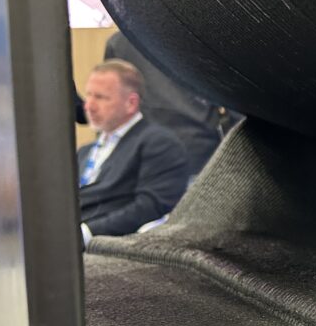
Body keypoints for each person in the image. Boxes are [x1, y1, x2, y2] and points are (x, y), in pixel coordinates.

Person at [77, 60, 189, 247]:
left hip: (108, 247)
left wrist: (85, 233)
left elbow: (151, 207)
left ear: (131, 103)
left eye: (100, 97)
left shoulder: (159, 143)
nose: (89, 106)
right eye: (88, 95)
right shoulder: (84, 152)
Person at [104, 32, 232, 175]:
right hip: (201, 154)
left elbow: (110, 110)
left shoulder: (120, 42)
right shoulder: (207, 35)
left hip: (146, 157)